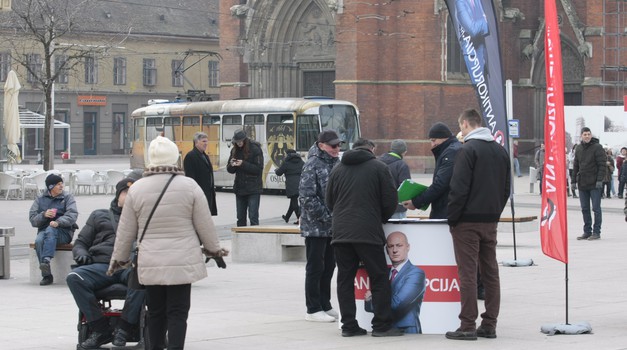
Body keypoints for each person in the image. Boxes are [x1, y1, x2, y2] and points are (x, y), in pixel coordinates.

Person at [107, 136, 227, 350]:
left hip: (151, 261)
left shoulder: (137, 189)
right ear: (175, 158)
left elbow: (126, 231)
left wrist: (119, 259)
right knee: (178, 313)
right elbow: (205, 225)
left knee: (155, 313)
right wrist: (215, 251)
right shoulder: (190, 186)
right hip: (182, 260)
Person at [326, 138, 402, 337]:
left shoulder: (337, 169)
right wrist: (380, 217)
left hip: (341, 232)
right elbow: (390, 200)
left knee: (344, 279)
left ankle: (349, 325)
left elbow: (329, 201)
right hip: (367, 231)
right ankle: (381, 325)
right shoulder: (379, 167)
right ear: (372, 149)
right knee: (378, 277)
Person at [445, 109, 510, 341]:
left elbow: (459, 188)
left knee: (468, 273)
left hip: (467, 222)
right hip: (490, 220)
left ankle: (467, 325)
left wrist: (453, 218)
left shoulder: (468, 150)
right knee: (490, 272)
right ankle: (489, 324)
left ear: (464, 124)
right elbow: (506, 188)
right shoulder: (500, 150)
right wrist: (494, 212)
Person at [67, 178, 145, 349]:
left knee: (143, 276)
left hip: (130, 265)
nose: (131, 196)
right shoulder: (99, 215)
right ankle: (100, 329)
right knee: (74, 277)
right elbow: (80, 243)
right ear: (118, 195)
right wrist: (81, 253)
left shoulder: (144, 217)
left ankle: (124, 327)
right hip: (102, 265)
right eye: (126, 193)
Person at [299, 130, 341, 323]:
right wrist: (328, 217)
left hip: (332, 226)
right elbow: (307, 197)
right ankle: (313, 308)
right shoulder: (312, 164)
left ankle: (325, 304)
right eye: (333, 146)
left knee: (329, 266)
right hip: (315, 227)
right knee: (315, 267)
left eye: (338, 145)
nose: (337, 149)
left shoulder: (337, 163)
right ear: (322, 145)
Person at [364, 231, 426, 334]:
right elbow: (368, 308)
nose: (395, 250)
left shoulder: (416, 273)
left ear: (408, 247)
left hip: (407, 330)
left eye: (399, 245)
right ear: (386, 250)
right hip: (385, 329)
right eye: (390, 246)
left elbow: (397, 304)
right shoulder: (385, 272)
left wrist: (372, 301)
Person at [402, 122, 461, 219]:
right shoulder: (453, 149)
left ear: (444, 137)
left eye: (434, 140)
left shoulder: (451, 152)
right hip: (450, 208)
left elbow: (440, 184)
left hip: (447, 210)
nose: (432, 144)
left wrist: (416, 202)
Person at [29, 173, 78, 286]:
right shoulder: (40, 199)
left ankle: (45, 260)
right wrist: (44, 215)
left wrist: (58, 222)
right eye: (58, 184)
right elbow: (32, 220)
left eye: (62, 184)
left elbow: (72, 215)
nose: (61, 186)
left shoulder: (67, 197)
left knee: (51, 230)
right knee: (39, 241)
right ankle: (47, 276)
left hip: (64, 232)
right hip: (44, 231)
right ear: (51, 187)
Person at [572, 127, 606, 241]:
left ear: (591, 135)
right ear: (581, 136)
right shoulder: (579, 148)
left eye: (588, 134)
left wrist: (600, 180)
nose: (587, 136)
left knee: (596, 208)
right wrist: (573, 181)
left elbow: (602, 165)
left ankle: (596, 232)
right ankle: (587, 231)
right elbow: (576, 165)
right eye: (584, 134)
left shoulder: (597, 147)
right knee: (584, 208)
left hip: (594, 183)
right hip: (582, 183)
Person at [227, 129, 264, 226]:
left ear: (244, 139)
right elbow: (230, 170)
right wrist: (231, 164)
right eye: (236, 141)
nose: (238, 143)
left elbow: (258, 169)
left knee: (253, 217)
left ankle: (255, 239)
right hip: (240, 189)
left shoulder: (255, 149)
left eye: (240, 141)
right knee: (240, 218)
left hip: (253, 188)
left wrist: (243, 164)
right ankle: (241, 239)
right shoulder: (234, 150)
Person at [183, 131, 218, 216]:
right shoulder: (190, 156)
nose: (206, 144)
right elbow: (190, 178)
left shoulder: (205, 156)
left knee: (206, 217)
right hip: (199, 194)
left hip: (208, 194)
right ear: (196, 142)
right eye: (203, 141)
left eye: (207, 141)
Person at [379, 139, 411, 219]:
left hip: (380, 207)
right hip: (397, 208)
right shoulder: (402, 165)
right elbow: (405, 188)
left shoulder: (378, 162)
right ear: (404, 152)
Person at [274, 149, 304, 224]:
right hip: (301, 183)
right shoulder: (301, 161)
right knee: (293, 201)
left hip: (291, 184)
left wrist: (276, 170)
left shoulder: (286, 162)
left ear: (288, 154)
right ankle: (287, 217)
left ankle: (299, 218)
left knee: (294, 202)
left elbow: (279, 173)